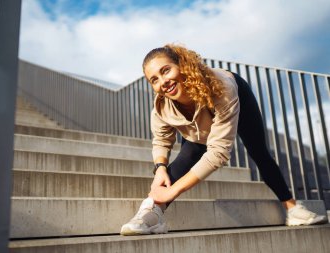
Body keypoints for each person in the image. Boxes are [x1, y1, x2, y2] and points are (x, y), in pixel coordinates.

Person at [120, 44, 328, 236]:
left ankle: (292, 208)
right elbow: (161, 139)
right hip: (198, 125)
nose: (163, 82)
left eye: (166, 70)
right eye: (154, 79)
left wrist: (173, 190)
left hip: (235, 100)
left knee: (259, 152)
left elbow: (218, 152)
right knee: (189, 154)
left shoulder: (222, 86)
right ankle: (151, 214)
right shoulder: (161, 106)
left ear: (182, 66)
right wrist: (160, 168)